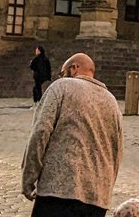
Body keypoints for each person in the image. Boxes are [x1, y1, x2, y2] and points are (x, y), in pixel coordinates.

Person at [22, 52, 124, 217]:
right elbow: (116, 151)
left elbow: (41, 131)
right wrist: (106, 189)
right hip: (96, 197)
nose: (60, 77)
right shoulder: (111, 100)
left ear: (74, 68)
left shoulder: (62, 86)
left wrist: (29, 177)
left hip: (58, 191)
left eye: (62, 73)